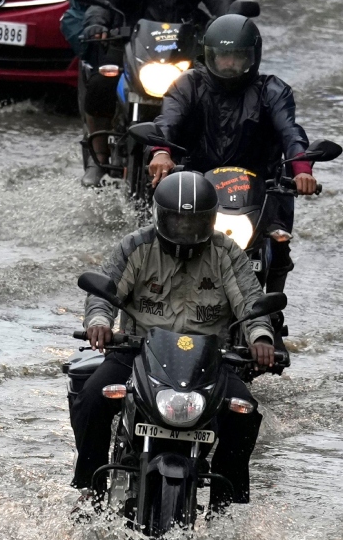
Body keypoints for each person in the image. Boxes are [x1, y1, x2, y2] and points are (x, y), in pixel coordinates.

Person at [71, 172, 275, 508]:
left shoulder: (227, 253)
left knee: (245, 413)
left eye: (194, 222)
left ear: (210, 220)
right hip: (137, 353)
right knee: (91, 400)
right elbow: (104, 293)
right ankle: (90, 487)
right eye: (177, 221)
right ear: (159, 215)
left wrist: (261, 338)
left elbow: (251, 302)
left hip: (207, 361)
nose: (185, 230)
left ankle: (223, 505)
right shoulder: (136, 246)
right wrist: (99, 323)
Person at [76, 0, 239, 188]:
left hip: (185, 43)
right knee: (101, 76)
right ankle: (98, 156)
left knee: (222, 88)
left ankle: (213, 159)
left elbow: (223, 0)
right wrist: (98, 21)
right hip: (130, 38)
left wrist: (232, 25)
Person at [147, 13, 318, 295]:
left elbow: (291, 132)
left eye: (237, 57)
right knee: (164, 236)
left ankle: (273, 314)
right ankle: (155, 298)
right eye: (222, 56)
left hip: (261, 187)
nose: (228, 63)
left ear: (252, 56)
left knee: (279, 240)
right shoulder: (188, 84)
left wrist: (302, 170)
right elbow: (167, 121)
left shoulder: (273, 90)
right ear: (209, 55)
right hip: (196, 183)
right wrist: (161, 152)